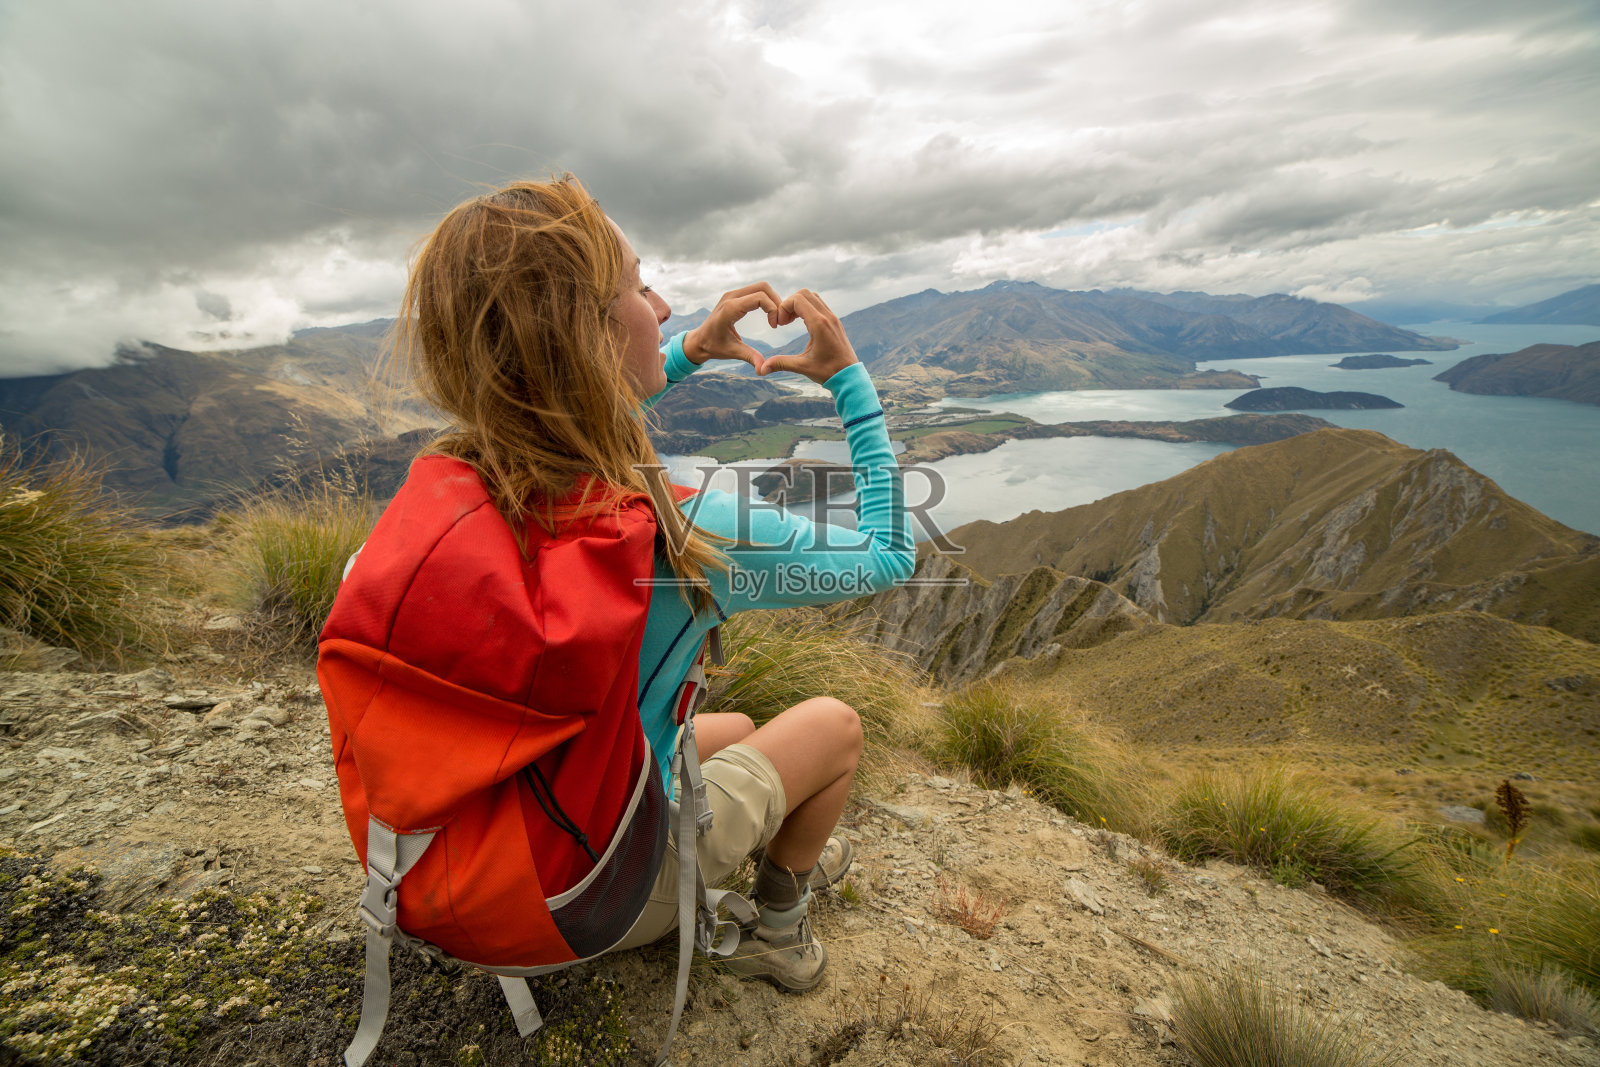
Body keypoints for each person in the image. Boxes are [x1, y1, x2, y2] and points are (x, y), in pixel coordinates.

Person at [396, 176, 914, 992]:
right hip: (582, 904)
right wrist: (850, 381)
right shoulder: (685, 527)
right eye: (639, 286)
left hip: (453, 871)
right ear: (587, 334)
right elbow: (890, 554)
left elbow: (571, 416)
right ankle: (778, 928)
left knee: (735, 725)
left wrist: (688, 354)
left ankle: (746, 835)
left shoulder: (457, 482)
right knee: (834, 728)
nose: (666, 304)